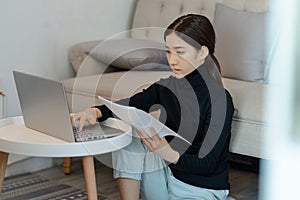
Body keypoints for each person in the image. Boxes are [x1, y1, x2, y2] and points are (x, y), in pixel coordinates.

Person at [71, 14, 234, 200]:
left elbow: (209, 164)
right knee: (129, 131)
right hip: (167, 177)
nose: (172, 60)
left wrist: (170, 154)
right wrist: (95, 111)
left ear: (202, 53)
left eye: (180, 52)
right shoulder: (167, 86)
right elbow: (130, 103)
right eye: (168, 51)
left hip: (201, 189)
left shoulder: (220, 100)